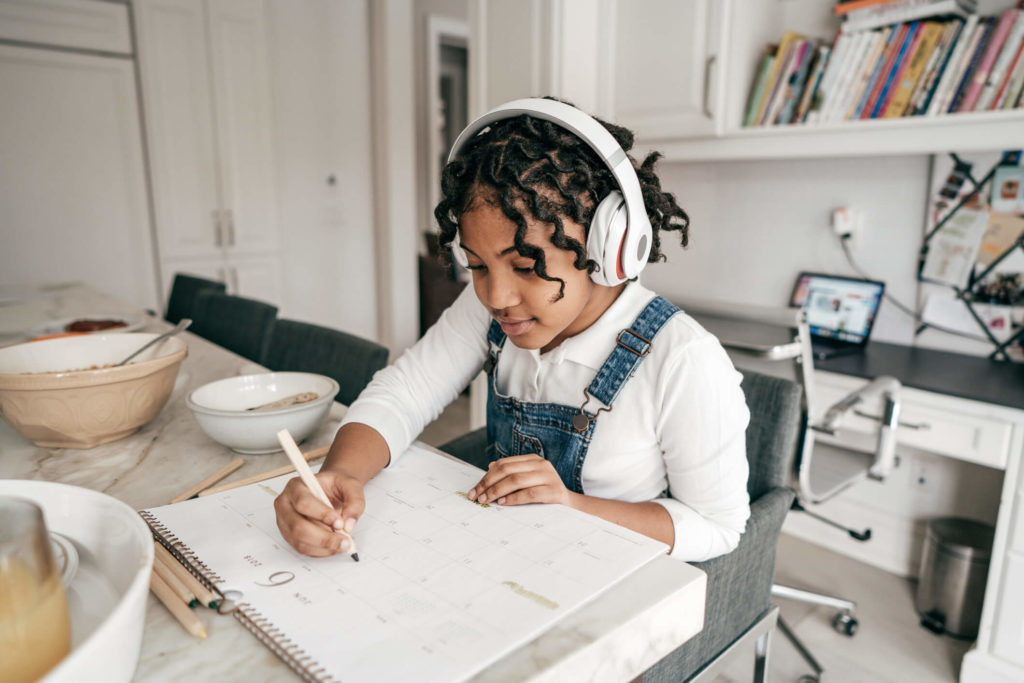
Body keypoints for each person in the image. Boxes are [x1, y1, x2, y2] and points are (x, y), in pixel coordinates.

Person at [274, 97, 750, 562]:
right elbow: (406, 392)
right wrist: (340, 473)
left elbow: (717, 526)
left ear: (609, 246)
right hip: (507, 557)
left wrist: (572, 505)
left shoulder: (683, 359)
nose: (496, 297)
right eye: (478, 266)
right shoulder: (494, 309)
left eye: (525, 266)